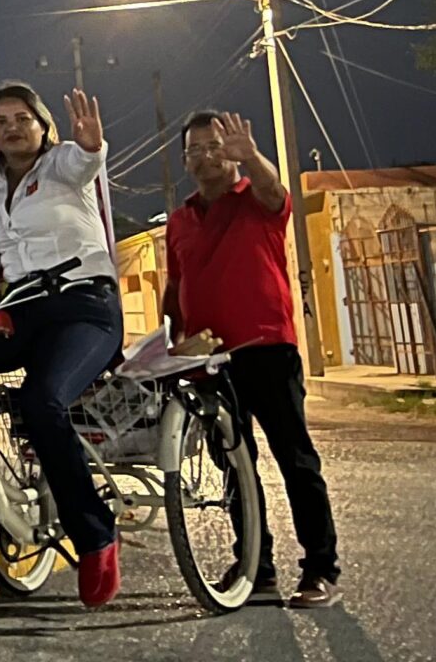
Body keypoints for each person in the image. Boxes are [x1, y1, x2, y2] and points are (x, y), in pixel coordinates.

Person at [162, 109, 339, 608]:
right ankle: (254, 566)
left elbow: (278, 195)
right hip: (211, 362)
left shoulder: (256, 200)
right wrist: (168, 344)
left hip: (267, 349)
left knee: (296, 460)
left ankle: (320, 569)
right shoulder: (179, 220)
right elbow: (176, 286)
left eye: (213, 147)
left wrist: (254, 158)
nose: (204, 157)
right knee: (235, 467)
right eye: (194, 150)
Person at [0, 84, 123, 607]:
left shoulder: (62, 164)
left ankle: (95, 533)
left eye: (23, 118)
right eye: (1, 120)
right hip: (22, 312)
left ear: (43, 125)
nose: (12, 127)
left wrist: (92, 145)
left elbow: (87, 163)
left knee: (41, 400)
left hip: (84, 307)